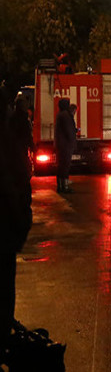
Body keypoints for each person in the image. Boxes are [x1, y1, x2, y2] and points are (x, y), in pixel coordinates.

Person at [0, 87, 31, 356]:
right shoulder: (6, 140)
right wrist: (21, 225)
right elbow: (16, 184)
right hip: (5, 235)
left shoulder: (8, 133)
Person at [54, 98, 76, 193]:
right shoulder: (66, 115)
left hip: (60, 144)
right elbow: (69, 130)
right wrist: (73, 138)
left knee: (61, 166)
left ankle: (60, 185)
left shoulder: (59, 115)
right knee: (65, 166)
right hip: (66, 145)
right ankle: (65, 186)